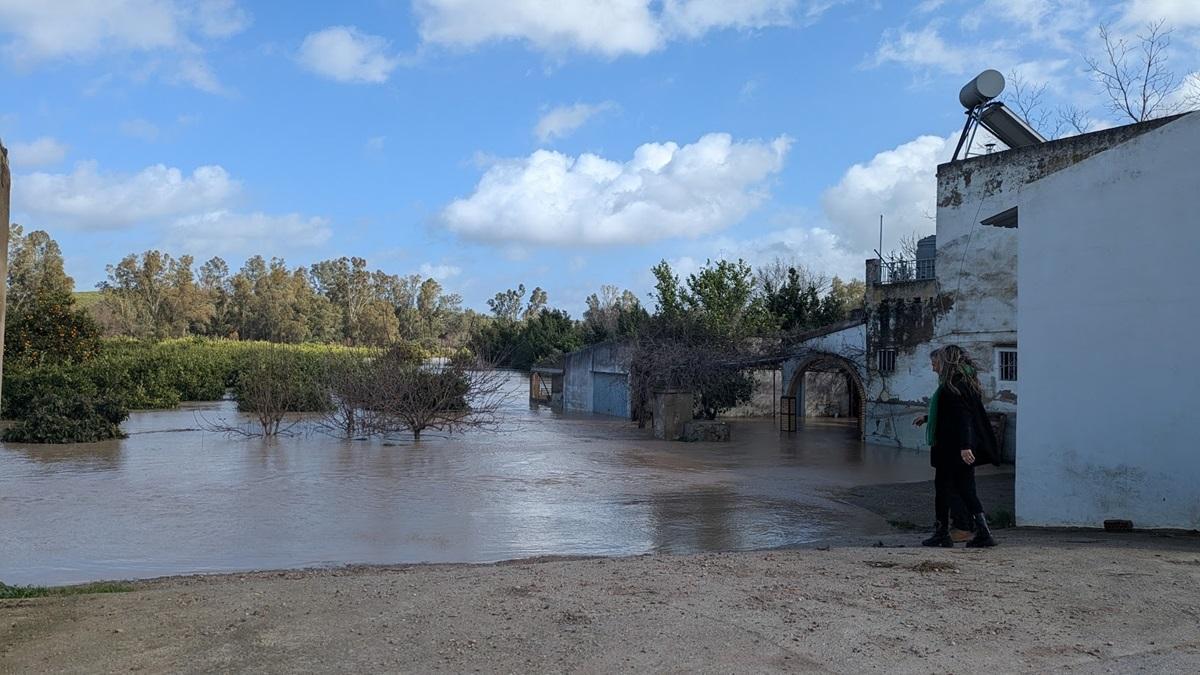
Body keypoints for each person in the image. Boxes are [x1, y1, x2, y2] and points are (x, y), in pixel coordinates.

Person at [912, 345, 998, 548]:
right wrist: (928, 418)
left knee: (943, 490)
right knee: (966, 490)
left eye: (935, 364)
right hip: (957, 446)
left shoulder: (953, 386)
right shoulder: (965, 382)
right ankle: (983, 533)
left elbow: (964, 418)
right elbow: (953, 414)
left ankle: (942, 533)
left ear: (945, 362)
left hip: (951, 449)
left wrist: (965, 446)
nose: (933, 369)